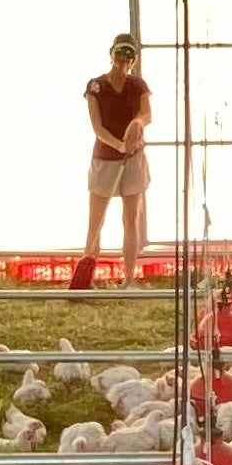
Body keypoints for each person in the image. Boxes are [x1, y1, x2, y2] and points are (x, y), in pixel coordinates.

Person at [75, 32, 152, 288]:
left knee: (131, 219)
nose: (122, 59)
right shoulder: (96, 86)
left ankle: (129, 278)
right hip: (105, 159)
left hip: (134, 158)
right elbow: (97, 128)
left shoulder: (138, 85)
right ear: (111, 54)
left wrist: (136, 125)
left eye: (128, 54)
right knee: (95, 220)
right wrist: (119, 144)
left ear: (134, 60)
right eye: (119, 53)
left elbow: (146, 114)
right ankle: (87, 275)